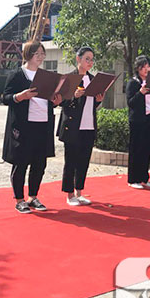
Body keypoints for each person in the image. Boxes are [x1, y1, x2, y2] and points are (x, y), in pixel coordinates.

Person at [2, 41, 62, 214]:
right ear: (28, 55)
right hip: (24, 125)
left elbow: (48, 100)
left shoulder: (47, 77)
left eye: (43, 54)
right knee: (21, 162)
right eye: (37, 54)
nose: (41, 57)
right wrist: (19, 97)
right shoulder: (17, 75)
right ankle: (19, 200)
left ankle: (33, 197)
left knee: (39, 163)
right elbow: (5, 98)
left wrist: (56, 102)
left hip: (43, 124)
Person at [57, 47, 104, 206]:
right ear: (78, 59)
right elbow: (61, 102)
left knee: (84, 160)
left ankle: (79, 192)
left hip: (88, 124)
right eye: (87, 59)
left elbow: (92, 104)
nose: (90, 62)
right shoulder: (70, 78)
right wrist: (73, 96)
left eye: (92, 59)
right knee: (71, 160)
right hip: (73, 125)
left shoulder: (93, 79)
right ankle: (69, 194)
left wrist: (98, 100)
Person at [126, 55, 150, 189]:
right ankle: (133, 179)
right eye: (143, 67)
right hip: (137, 120)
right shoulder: (133, 83)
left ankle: (144, 178)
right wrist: (140, 93)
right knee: (136, 149)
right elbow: (131, 102)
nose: (146, 69)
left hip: (149, 118)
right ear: (138, 68)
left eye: (148, 67)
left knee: (146, 149)